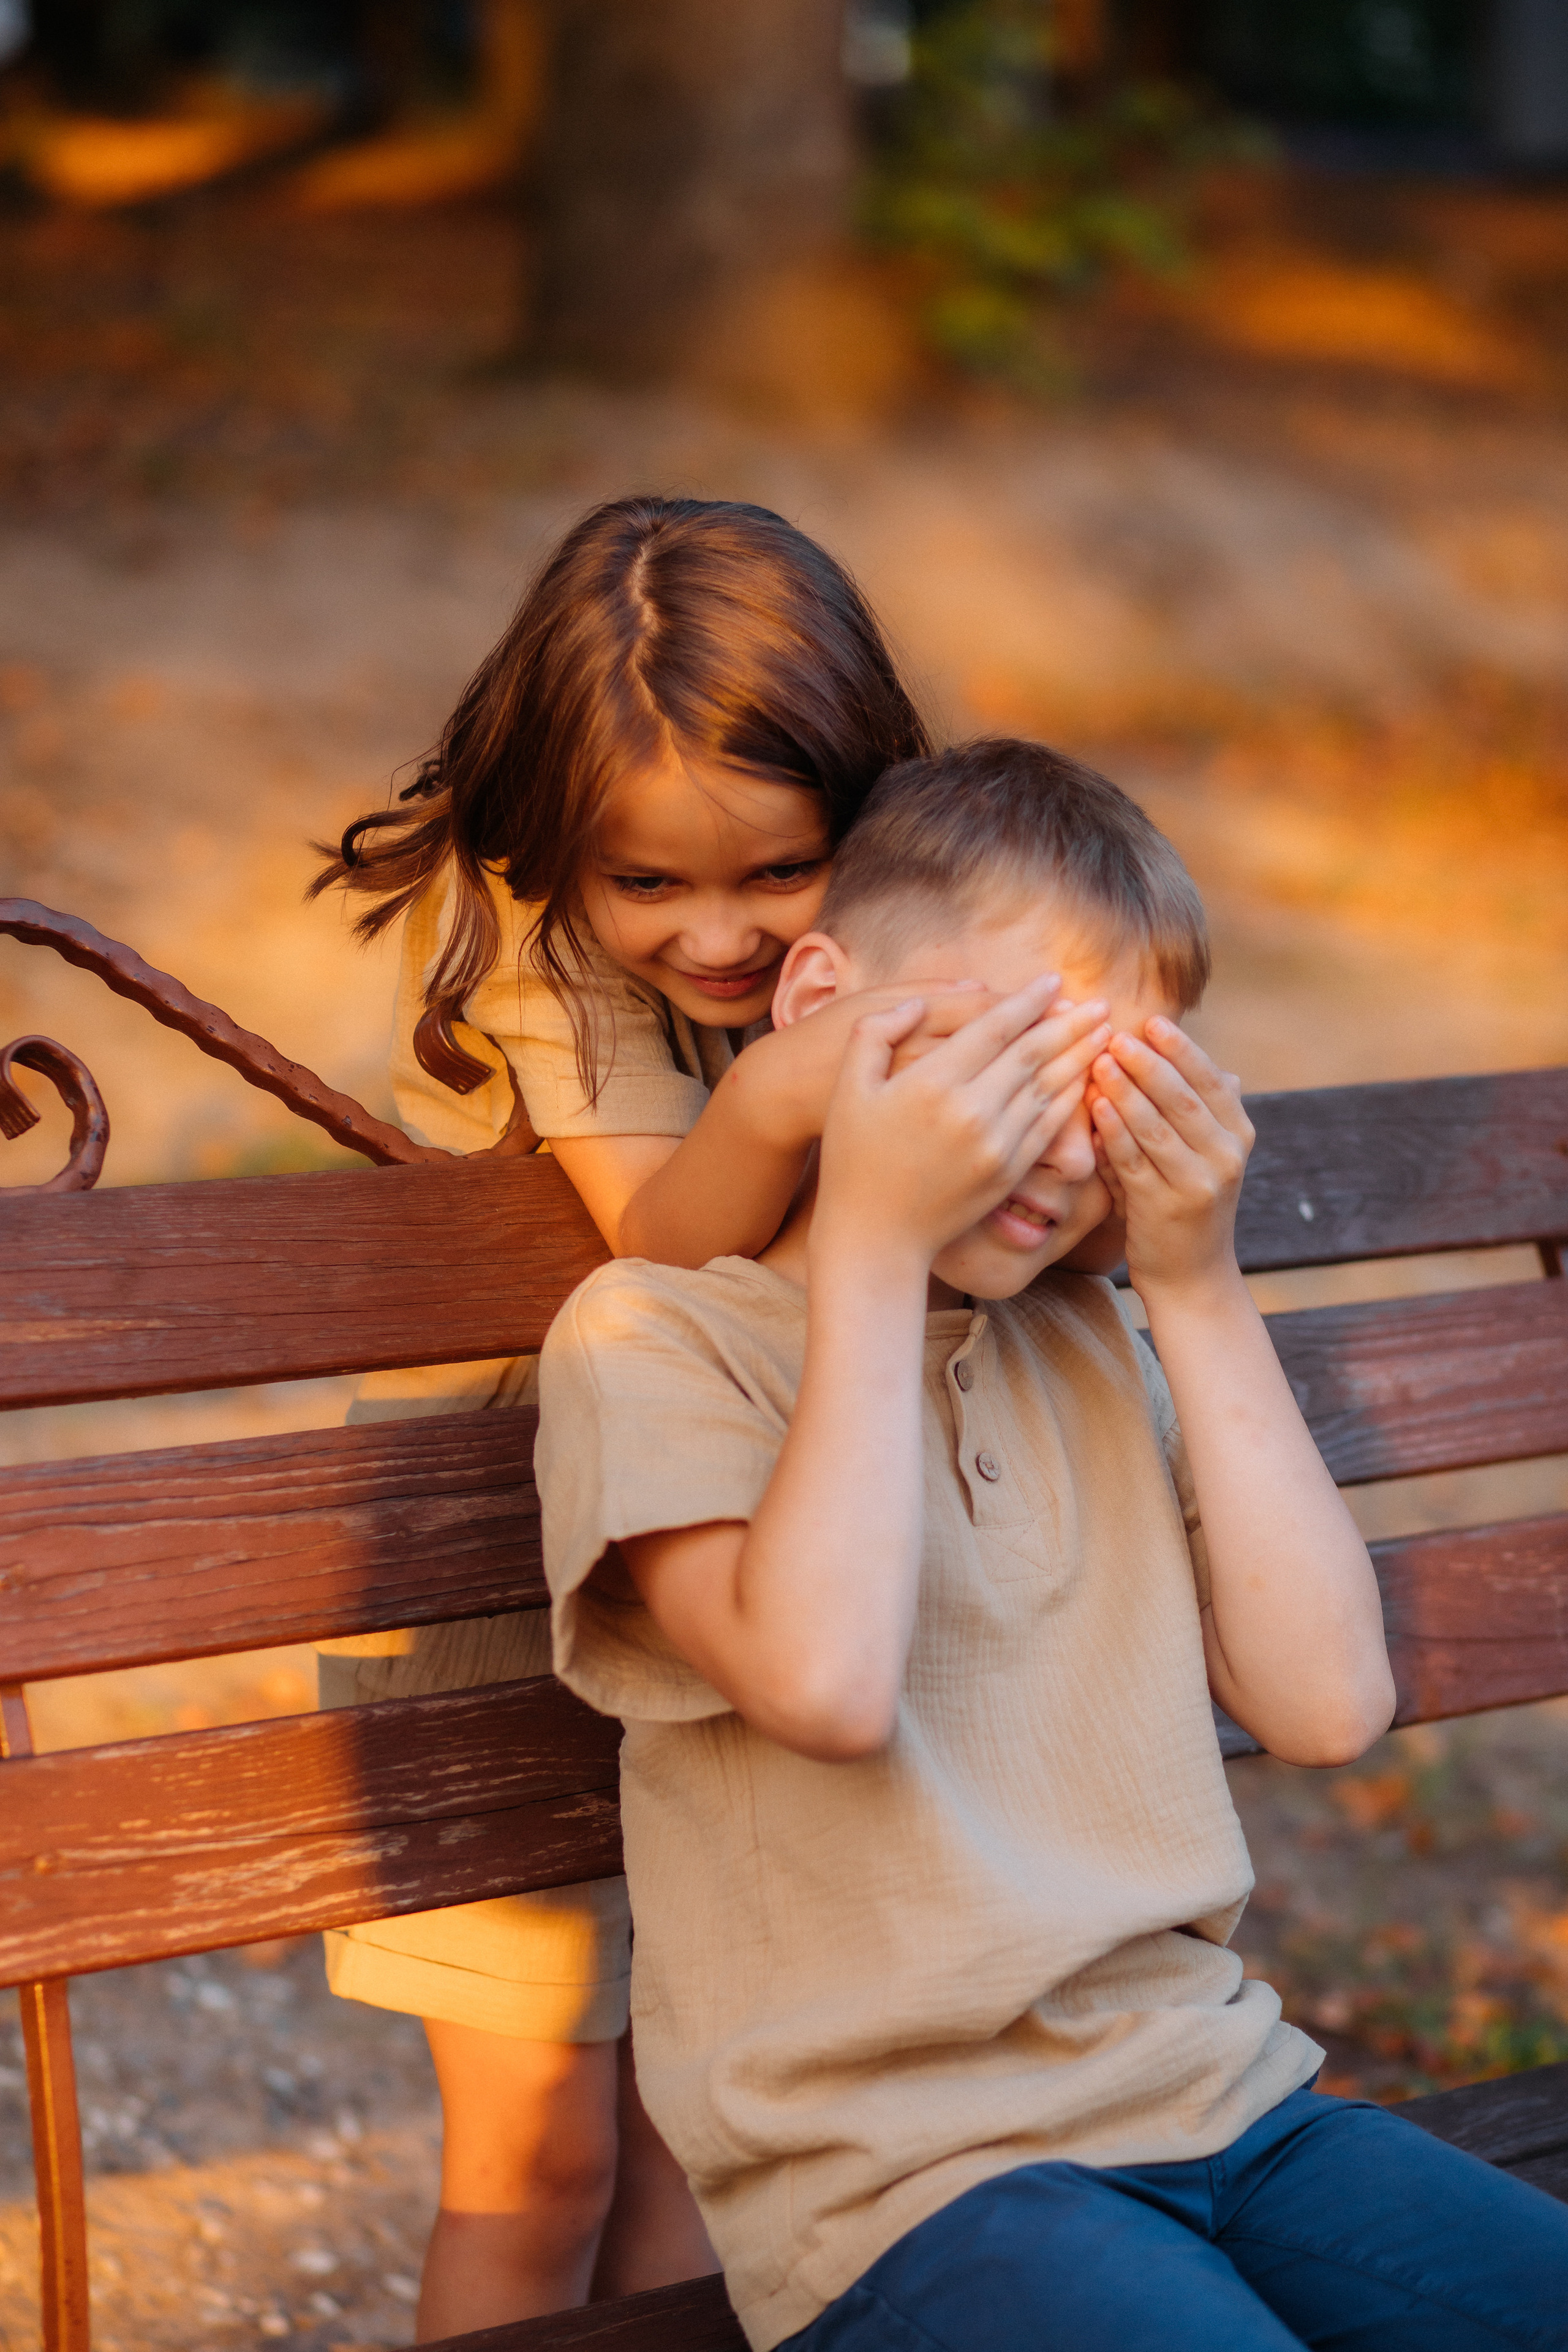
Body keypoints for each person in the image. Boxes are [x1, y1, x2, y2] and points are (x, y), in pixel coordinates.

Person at [536, 737, 1568, 2352]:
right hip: (913, 2189)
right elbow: (824, 1683)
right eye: (1018, 1064)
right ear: (822, 1007)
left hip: (1231, 2110)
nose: (1064, 1147)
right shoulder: (659, 1341)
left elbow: (1324, 1707)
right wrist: (871, 1235)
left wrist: (1198, 1284)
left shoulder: (1107, 1342)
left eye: (1117, 1095)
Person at [307, 494, 1010, 2339]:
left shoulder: (869, 944)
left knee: (700, 2152)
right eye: (651, 883)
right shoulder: (538, 964)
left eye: (777, 874)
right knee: (535, 2170)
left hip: (712, 1627)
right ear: (558, 845)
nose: (714, 933)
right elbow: (671, 1242)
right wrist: (797, 1087)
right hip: (488, 1637)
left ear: (861, 817)